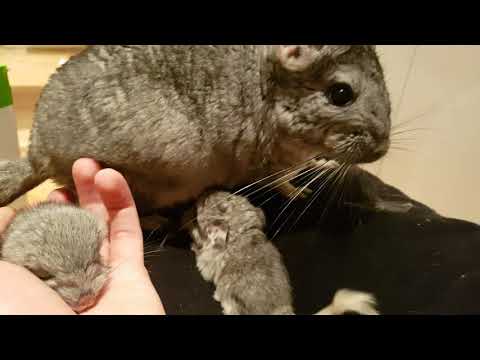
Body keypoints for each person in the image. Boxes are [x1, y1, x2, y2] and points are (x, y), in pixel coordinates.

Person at [0, 158, 165, 315]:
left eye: (95, 261)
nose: (85, 295)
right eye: (47, 275)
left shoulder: (92, 229)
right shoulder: (16, 260)